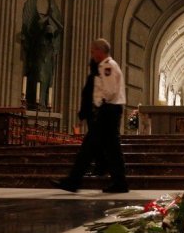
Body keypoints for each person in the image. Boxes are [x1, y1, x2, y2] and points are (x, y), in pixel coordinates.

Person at [52, 39, 129, 193]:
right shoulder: (107, 65)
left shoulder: (107, 66)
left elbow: (110, 90)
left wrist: (99, 105)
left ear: (100, 51)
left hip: (108, 110)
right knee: (111, 149)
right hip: (111, 110)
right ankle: (119, 182)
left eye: (93, 51)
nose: (91, 54)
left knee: (89, 147)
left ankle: (73, 181)